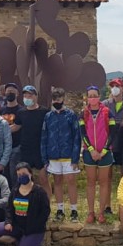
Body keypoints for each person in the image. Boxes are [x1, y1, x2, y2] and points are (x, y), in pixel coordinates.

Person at [0, 162, 51, 246]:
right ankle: (19, 241)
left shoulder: (39, 192)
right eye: (19, 175)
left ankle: (36, 245)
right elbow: (9, 209)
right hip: (17, 226)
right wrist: (8, 222)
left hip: (34, 229)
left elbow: (45, 212)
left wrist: (34, 227)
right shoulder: (15, 191)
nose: (21, 176)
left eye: (24, 174)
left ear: (30, 173)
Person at [42, 87, 81, 222]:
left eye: (58, 99)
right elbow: (44, 137)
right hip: (53, 155)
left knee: (71, 181)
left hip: (68, 154)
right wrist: (45, 158)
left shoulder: (71, 115)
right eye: (54, 99)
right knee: (57, 182)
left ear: (63, 99)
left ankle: (74, 211)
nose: (56, 101)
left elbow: (77, 137)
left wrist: (75, 157)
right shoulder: (48, 116)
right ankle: (60, 210)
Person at [79, 86, 115, 223]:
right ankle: (90, 212)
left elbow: (112, 133)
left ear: (99, 96)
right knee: (90, 182)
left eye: (95, 95)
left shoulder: (107, 112)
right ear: (87, 98)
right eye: (90, 95)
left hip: (105, 152)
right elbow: (83, 133)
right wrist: (91, 149)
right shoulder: (83, 113)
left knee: (104, 182)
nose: (92, 98)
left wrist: (104, 151)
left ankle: (101, 213)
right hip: (89, 152)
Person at [13, 85, 49, 188]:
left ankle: (47, 203)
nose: (27, 98)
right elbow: (16, 127)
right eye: (25, 95)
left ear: (36, 96)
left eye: (30, 95)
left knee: (43, 179)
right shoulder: (21, 112)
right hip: (25, 150)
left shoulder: (44, 112)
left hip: (40, 150)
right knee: (25, 179)